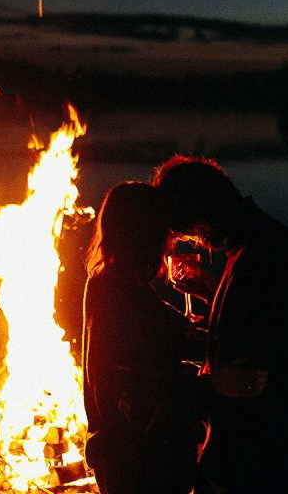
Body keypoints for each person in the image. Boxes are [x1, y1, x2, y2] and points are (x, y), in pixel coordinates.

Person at [152, 155, 288, 492]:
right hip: (260, 452)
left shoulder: (259, 257)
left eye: (189, 233)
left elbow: (251, 373)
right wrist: (209, 294)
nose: (197, 243)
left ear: (200, 221)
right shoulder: (261, 243)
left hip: (251, 461)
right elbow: (249, 327)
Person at [82, 181, 206, 494]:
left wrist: (205, 294)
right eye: (165, 232)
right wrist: (212, 388)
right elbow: (130, 387)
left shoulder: (111, 284)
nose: (170, 244)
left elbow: (174, 335)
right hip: (139, 465)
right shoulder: (121, 294)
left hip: (125, 458)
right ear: (145, 235)